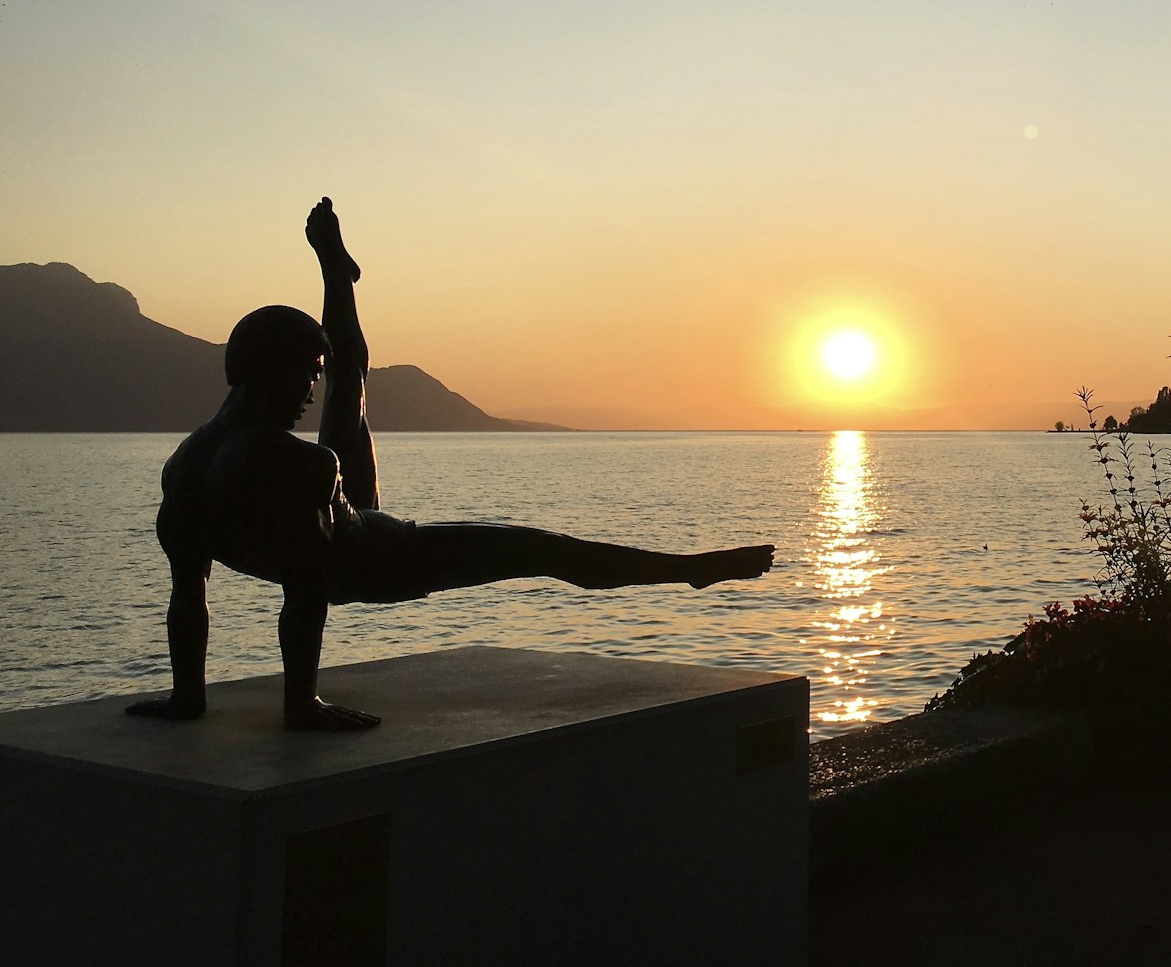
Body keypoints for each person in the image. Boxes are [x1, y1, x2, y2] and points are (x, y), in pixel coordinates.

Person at [127, 199, 774, 730]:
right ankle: (688, 572)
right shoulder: (301, 467)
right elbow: (309, 591)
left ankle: (336, 272)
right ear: (275, 371)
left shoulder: (185, 468)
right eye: (307, 375)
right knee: (542, 549)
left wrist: (189, 698)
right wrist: (303, 706)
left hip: (348, 521)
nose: (308, 392)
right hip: (383, 554)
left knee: (353, 379)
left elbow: (191, 594)